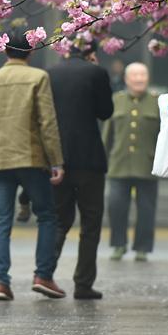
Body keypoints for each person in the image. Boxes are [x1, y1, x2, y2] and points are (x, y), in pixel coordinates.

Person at [0, 26, 66, 301]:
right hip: (31, 158)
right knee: (47, 216)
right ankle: (43, 275)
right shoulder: (38, 77)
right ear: (31, 51)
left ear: (4, 49)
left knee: (2, 222)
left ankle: (1, 283)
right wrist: (56, 161)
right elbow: (47, 122)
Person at [47, 41, 113, 299]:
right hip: (89, 159)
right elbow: (105, 112)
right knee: (90, 223)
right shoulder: (96, 72)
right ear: (91, 53)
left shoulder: (50, 73)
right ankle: (83, 284)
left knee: (59, 220)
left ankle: (45, 273)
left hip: (59, 158)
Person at [103, 62, 159, 263]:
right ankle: (118, 245)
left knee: (146, 210)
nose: (138, 79)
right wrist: (103, 160)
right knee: (116, 207)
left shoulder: (157, 102)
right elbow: (107, 136)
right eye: (134, 76)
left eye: (142, 75)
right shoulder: (116, 100)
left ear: (148, 78)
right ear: (126, 79)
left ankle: (142, 248)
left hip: (147, 165)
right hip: (119, 165)